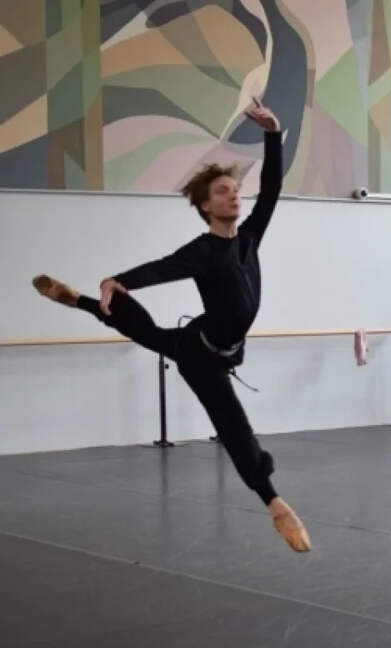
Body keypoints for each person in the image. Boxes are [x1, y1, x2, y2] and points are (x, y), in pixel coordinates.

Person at [31, 98, 312, 551]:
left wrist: (272, 133)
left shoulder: (249, 238)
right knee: (233, 425)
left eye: (235, 189)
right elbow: (164, 267)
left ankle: (80, 301)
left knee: (149, 335)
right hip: (201, 356)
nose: (233, 195)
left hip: (211, 341)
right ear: (204, 206)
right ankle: (276, 505)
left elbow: (272, 189)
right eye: (221, 191)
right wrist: (119, 280)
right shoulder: (202, 251)